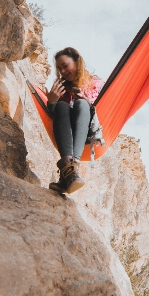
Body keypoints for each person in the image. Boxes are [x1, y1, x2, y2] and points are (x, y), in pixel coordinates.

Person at [45, 47, 104, 194]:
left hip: (88, 131)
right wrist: (52, 102)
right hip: (67, 135)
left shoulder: (96, 84)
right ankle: (70, 175)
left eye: (65, 66)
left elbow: (102, 112)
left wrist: (87, 103)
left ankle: (71, 167)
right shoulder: (62, 88)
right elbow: (56, 119)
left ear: (77, 62)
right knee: (62, 105)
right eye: (59, 69)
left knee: (81, 103)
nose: (63, 71)